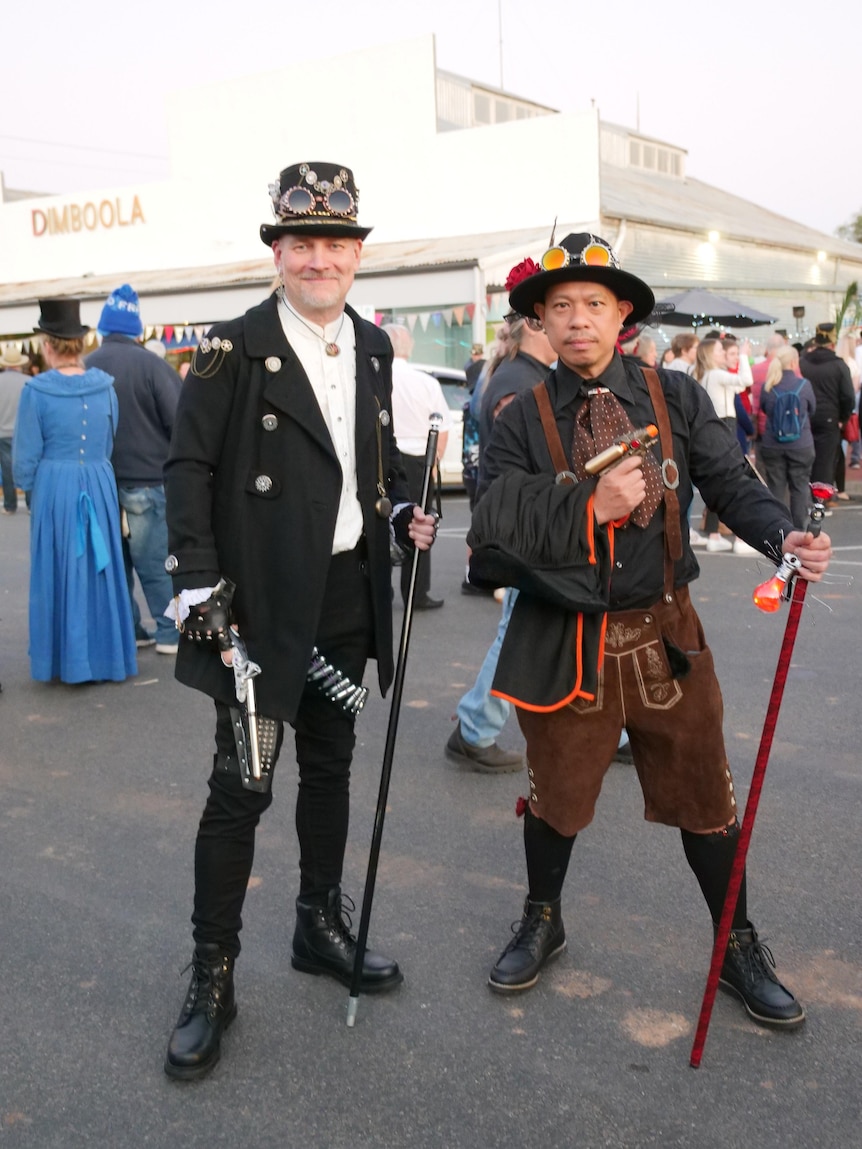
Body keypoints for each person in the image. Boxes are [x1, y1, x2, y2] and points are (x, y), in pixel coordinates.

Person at [467, 231, 831, 1027]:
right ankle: (543, 917)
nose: (577, 321)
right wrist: (585, 508)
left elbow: (733, 482)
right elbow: (489, 530)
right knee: (556, 797)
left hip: (670, 630)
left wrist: (783, 538)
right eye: (559, 307)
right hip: (569, 639)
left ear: (622, 311)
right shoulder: (517, 416)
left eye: (593, 304)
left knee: (707, 797)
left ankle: (737, 942)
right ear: (541, 320)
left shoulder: (675, 397)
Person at [162, 161, 437, 1081]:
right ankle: (213, 976)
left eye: (337, 244)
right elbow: (188, 468)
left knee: (330, 766)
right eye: (303, 243)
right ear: (277, 252)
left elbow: (373, 460)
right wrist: (199, 582)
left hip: (347, 598)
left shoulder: (371, 346)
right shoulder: (232, 349)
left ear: (357, 256)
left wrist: (402, 511)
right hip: (262, 606)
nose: (320, 258)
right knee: (243, 783)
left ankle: (318, 922)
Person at [12, 300, 137, 683]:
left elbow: (25, 461)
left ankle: (65, 661)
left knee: (59, 568)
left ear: (48, 345)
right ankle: (105, 659)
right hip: (98, 483)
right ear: (79, 345)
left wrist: (33, 490)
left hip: (56, 487)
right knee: (99, 572)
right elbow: (110, 441)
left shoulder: (36, 391)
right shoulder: (105, 388)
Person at [85, 285, 182, 653]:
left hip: (99, 481)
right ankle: (167, 632)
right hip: (148, 479)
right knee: (156, 563)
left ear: (103, 328)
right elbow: (179, 423)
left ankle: (129, 629)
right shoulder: (153, 366)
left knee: (113, 563)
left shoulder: (85, 366)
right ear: (137, 329)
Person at [382, 323, 451, 611]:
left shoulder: (372, 376)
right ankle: (416, 593)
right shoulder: (426, 381)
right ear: (407, 346)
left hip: (381, 456)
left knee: (377, 523)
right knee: (419, 523)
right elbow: (442, 427)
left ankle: (379, 593)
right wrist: (434, 464)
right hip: (418, 458)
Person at [692, 338, 754, 554]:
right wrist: (744, 356)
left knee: (717, 481)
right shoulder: (716, 375)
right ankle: (740, 538)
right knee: (735, 480)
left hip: (713, 426)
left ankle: (714, 534)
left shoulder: (702, 374)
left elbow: (737, 386)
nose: (724, 354)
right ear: (710, 354)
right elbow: (746, 380)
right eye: (720, 350)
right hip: (726, 424)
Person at [759, 344, 817, 527]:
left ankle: (779, 527)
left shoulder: (768, 385)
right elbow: (812, 409)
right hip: (801, 444)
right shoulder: (804, 385)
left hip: (772, 444)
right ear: (794, 362)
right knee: (799, 487)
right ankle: (799, 528)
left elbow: (765, 409)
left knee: (776, 486)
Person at [800, 323, 855, 493]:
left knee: (805, 457)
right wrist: (843, 418)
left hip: (805, 416)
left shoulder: (803, 363)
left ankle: (805, 497)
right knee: (825, 460)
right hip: (830, 417)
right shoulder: (839, 366)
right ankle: (820, 500)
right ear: (832, 343)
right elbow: (848, 396)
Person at [0, 346, 30, 514]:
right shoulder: (28, 381)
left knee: (6, 468)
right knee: (28, 466)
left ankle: (10, 505)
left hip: (3, 432)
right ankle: (31, 504)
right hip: (24, 431)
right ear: (19, 364)